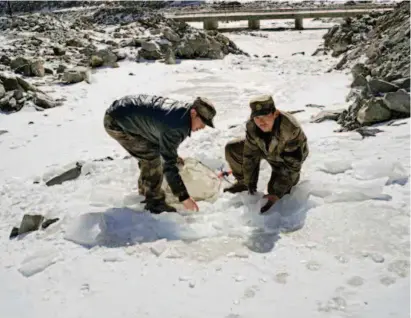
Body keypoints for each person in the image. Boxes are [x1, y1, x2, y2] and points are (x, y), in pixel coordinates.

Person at [104, 94, 216, 214]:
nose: (203, 127)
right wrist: (184, 198)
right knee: (152, 157)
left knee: (155, 153)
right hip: (116, 122)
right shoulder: (176, 126)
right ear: (193, 113)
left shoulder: (183, 113)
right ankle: (154, 202)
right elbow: (169, 166)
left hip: (125, 111)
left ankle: (145, 191)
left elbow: (163, 134)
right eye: (203, 122)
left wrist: (172, 156)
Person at [224, 95, 309, 213]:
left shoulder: (289, 129)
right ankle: (242, 183)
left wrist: (276, 193)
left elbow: (292, 166)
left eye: (265, 116)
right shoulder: (252, 125)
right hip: (265, 149)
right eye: (257, 117)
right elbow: (250, 156)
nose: (261, 121)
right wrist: (249, 184)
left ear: (275, 114)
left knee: (275, 192)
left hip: (284, 158)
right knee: (233, 148)